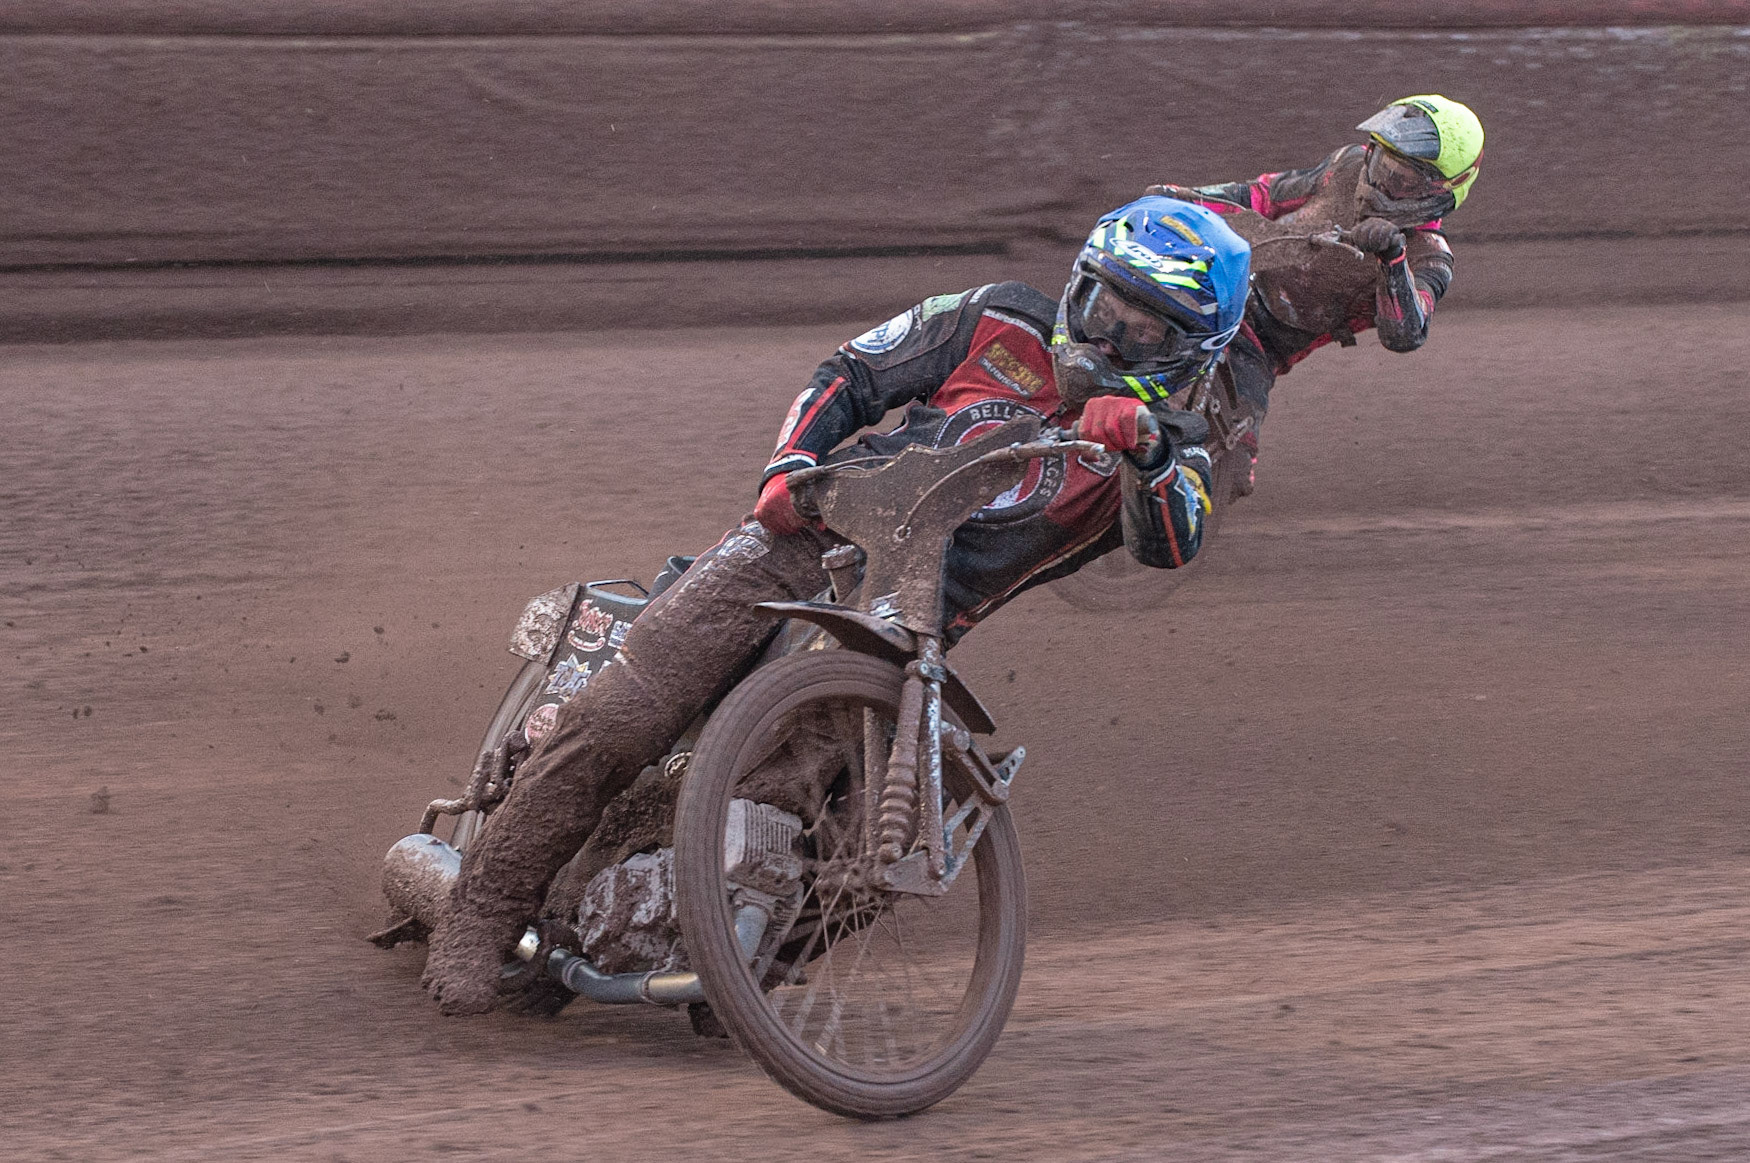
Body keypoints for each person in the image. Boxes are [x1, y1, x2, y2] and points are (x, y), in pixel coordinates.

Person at [421, 196, 1252, 1015]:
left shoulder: (1174, 449)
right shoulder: (999, 318)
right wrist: (789, 466)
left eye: (1144, 330)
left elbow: (1172, 542)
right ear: (1076, 286)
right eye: (1103, 307)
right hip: (808, 537)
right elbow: (855, 370)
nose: (1111, 337)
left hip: (908, 627)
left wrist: (1144, 449)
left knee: (886, 832)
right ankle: (479, 914)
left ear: (1192, 353)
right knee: (626, 713)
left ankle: (744, 963)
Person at [1149, 94, 1483, 495]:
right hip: (1215, 280)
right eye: (1379, 163)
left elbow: (1405, 334)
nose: (1378, 182)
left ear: (1440, 190)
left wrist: (1392, 259)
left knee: (1235, 473)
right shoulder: (1346, 166)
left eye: (1402, 178)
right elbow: (1263, 195)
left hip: (1260, 344)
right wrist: (1182, 197)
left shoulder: (1429, 258)